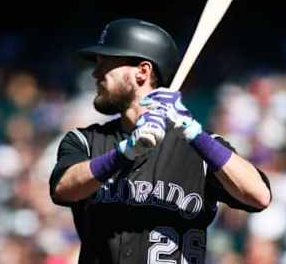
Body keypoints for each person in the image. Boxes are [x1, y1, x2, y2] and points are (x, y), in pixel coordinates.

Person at [49, 18, 271, 264]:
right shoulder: (85, 141)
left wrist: (195, 133)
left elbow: (259, 196)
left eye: (106, 63)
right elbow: (63, 189)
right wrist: (125, 152)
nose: (95, 72)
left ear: (143, 71)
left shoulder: (201, 150)